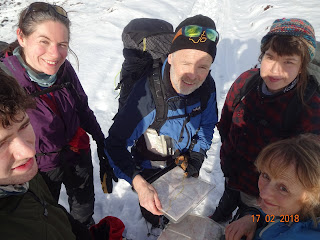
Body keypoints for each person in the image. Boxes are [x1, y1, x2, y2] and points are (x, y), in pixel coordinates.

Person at [0, 2, 109, 227]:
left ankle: (84, 230)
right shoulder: (7, 83)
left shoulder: (63, 68)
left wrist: (101, 142)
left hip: (77, 150)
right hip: (39, 166)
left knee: (84, 207)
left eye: (62, 44)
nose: (55, 54)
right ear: (21, 37)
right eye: (44, 42)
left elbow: (82, 107)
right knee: (47, 215)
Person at [105, 15, 219, 226]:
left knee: (179, 210)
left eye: (203, 66)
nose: (193, 75)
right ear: (172, 56)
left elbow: (207, 124)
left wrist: (196, 157)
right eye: (186, 62)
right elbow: (115, 144)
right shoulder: (148, 96)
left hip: (184, 161)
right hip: (151, 165)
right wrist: (139, 184)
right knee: (155, 213)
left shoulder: (207, 86)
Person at [210, 18, 320, 223]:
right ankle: (223, 211)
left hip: (265, 192)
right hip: (233, 173)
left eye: (288, 62)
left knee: (243, 225)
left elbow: (307, 174)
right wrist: (228, 157)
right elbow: (226, 122)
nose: (275, 70)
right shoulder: (246, 81)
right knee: (229, 197)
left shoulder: (309, 107)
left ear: (302, 67)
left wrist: (257, 215)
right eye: (270, 58)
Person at [0, 70, 125, 240]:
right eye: (1, 143)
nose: (29, 151)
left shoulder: (23, 177)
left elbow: (50, 210)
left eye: (24, 126)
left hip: (76, 153)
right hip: (50, 163)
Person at [225, 134, 320, 240]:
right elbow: (277, 217)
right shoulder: (295, 211)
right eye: (266, 176)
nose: (263, 194)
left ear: (312, 195)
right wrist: (253, 218)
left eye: (283, 188)